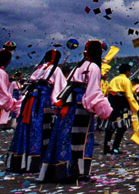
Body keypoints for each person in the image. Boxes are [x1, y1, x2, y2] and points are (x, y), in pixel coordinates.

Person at [39, 40, 112, 183]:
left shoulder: (77, 67)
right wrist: (104, 110)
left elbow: (67, 87)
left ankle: (61, 169)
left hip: (69, 103)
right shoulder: (94, 67)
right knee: (82, 138)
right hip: (82, 104)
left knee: (64, 135)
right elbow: (93, 92)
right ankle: (78, 172)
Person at [7, 49, 67, 173]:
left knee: (26, 127)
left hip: (30, 100)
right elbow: (60, 90)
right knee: (39, 129)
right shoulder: (56, 70)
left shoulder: (38, 69)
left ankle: (21, 160)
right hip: (42, 103)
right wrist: (58, 104)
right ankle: (36, 161)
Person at [103, 64, 139, 155]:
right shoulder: (126, 80)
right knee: (122, 127)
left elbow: (107, 92)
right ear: (127, 71)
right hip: (122, 104)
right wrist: (135, 107)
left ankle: (106, 147)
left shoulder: (113, 79)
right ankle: (115, 148)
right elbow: (129, 95)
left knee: (110, 127)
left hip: (112, 104)